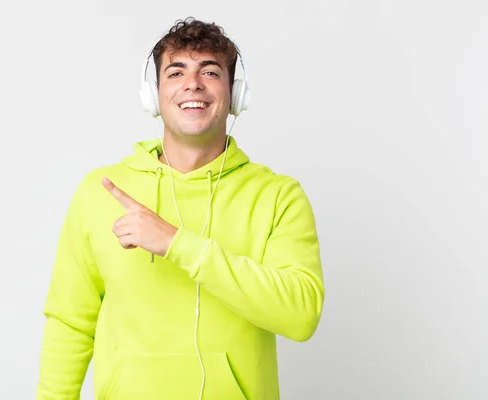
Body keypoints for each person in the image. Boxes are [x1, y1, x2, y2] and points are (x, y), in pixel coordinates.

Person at [36, 17, 325, 400]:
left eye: (210, 71)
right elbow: (69, 323)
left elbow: (300, 316)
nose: (193, 84)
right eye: (176, 72)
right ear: (153, 95)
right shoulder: (100, 191)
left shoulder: (277, 196)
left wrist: (176, 243)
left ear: (235, 95)